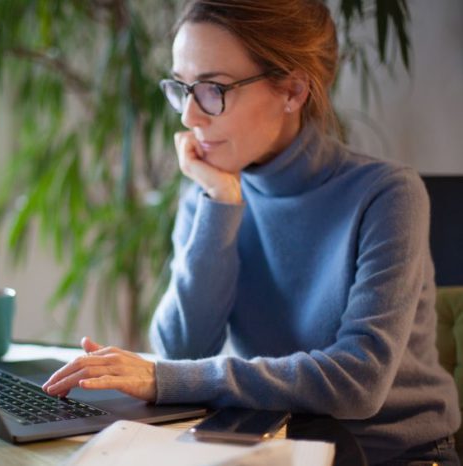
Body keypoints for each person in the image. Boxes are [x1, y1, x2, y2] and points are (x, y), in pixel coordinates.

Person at [41, 1, 461, 464]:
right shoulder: (212, 188)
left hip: (397, 456)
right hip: (272, 450)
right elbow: (181, 347)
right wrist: (219, 204)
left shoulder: (387, 195)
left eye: (213, 89)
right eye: (182, 88)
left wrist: (166, 377)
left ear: (294, 90)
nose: (189, 117)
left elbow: (358, 382)